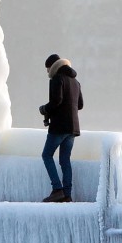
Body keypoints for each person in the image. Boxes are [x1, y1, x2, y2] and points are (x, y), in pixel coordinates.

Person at [39, 53, 83, 203]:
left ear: (53, 66)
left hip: (59, 126)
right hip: (73, 128)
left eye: (47, 68)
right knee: (65, 160)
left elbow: (56, 101)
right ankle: (67, 195)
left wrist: (45, 109)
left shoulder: (57, 79)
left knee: (46, 155)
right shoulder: (76, 82)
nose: (47, 72)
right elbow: (80, 105)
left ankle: (57, 189)